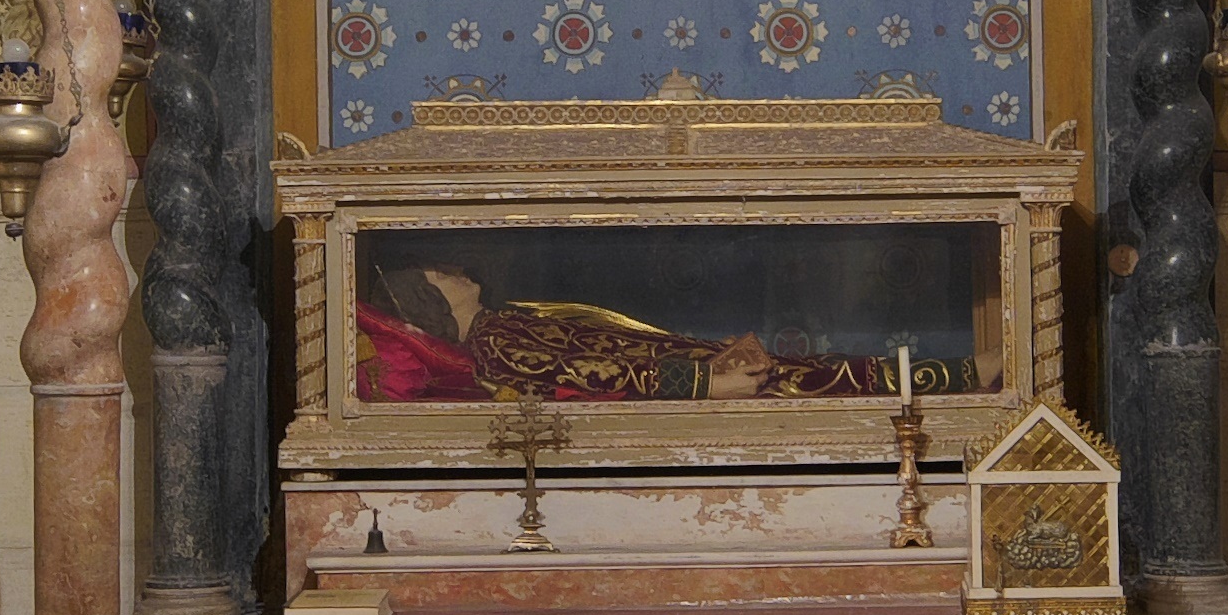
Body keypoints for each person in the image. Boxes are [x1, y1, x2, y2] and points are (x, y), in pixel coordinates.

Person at [352, 260, 913, 403]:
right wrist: (708, 386)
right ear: (432, 303)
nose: (454, 272)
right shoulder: (496, 344)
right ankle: (947, 379)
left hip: (695, 364)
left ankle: (946, 378)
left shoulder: (503, 322)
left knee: (815, 372)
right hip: (698, 385)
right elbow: (596, 378)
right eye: (438, 276)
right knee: (808, 379)